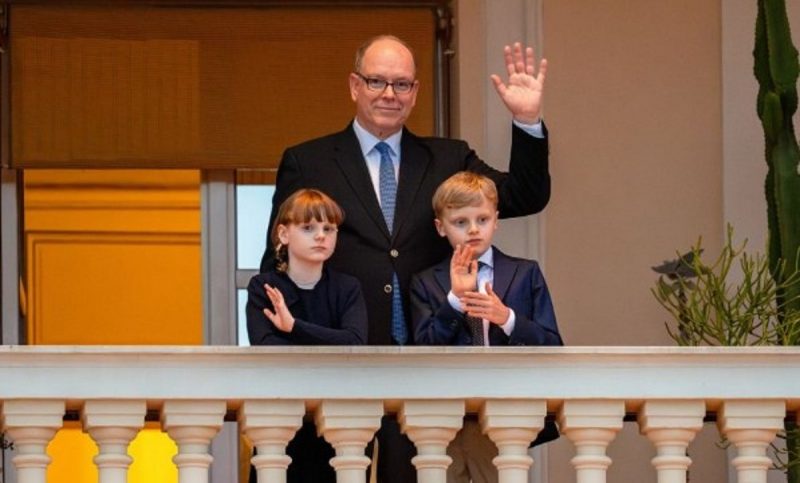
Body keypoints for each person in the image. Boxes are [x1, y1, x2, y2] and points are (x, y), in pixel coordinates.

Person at [259, 34, 550, 483]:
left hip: (425, 368)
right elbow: (276, 265)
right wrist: (285, 357)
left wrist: (527, 121)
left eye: (401, 84)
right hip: (337, 362)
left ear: (415, 93)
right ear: (354, 85)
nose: (389, 94)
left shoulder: (449, 157)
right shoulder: (308, 160)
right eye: (377, 82)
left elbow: (524, 195)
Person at [410, 171, 562, 483]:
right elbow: (423, 348)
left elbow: (552, 344)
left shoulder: (525, 273)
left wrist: (507, 318)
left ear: (496, 220)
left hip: (504, 414)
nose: (473, 229)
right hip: (446, 418)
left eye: (482, 219)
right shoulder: (425, 282)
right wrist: (454, 300)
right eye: (461, 222)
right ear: (441, 227)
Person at [247, 188, 367, 483]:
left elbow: (354, 342)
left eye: (329, 228)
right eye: (308, 227)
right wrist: (327, 341)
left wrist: (294, 327)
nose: (321, 236)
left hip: (338, 424)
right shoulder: (263, 287)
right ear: (284, 234)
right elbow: (267, 348)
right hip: (280, 421)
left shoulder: (347, 287)